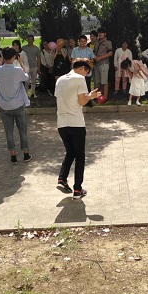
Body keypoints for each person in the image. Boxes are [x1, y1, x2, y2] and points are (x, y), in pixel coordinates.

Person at [54, 60, 101, 199]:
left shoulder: (60, 80)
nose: (86, 75)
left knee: (70, 152)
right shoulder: (79, 79)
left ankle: (62, 179)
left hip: (61, 123)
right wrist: (91, 96)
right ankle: (77, 189)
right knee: (80, 156)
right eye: (87, 72)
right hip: (76, 122)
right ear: (82, 68)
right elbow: (81, 101)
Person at [0, 47, 31, 164]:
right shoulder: (17, 70)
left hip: (4, 105)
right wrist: (21, 63)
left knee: (9, 132)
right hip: (18, 104)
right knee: (23, 131)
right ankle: (26, 154)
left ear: (3, 56)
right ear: (14, 57)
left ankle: (13, 156)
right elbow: (27, 77)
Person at [94, 27, 113, 101]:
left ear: (105, 34)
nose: (100, 34)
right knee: (97, 82)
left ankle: (105, 98)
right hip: (96, 63)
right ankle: (98, 97)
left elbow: (110, 53)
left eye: (102, 33)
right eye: (99, 33)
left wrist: (101, 57)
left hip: (104, 63)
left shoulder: (107, 42)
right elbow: (94, 51)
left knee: (104, 81)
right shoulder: (96, 41)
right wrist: (95, 57)